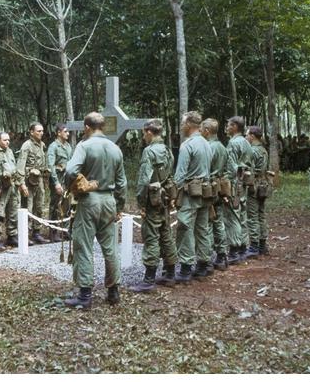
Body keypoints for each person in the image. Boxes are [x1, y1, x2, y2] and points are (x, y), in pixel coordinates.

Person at [63, 112, 127, 309]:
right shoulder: (115, 149)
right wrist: (119, 206)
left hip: (89, 200)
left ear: (87, 127)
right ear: (103, 127)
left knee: (83, 245)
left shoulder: (84, 146)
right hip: (109, 201)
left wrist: (72, 186)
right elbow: (122, 183)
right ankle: (113, 291)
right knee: (110, 248)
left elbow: (70, 171)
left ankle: (84, 295)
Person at [130, 119, 178, 292]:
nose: (143, 136)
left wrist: (141, 203)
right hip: (164, 199)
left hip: (152, 201)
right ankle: (170, 274)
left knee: (151, 236)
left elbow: (144, 181)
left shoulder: (149, 152)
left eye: (144, 133)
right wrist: (172, 197)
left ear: (149, 132)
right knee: (166, 234)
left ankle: (149, 279)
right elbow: (170, 175)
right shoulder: (167, 150)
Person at [173, 111, 213, 282]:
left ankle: (186, 267)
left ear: (189, 125)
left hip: (190, 192)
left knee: (184, 227)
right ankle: (203, 264)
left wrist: (174, 194)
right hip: (206, 191)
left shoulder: (187, 145)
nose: (181, 126)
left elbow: (180, 174)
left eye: (183, 123)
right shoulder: (206, 143)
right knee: (202, 227)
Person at [201, 118, 229, 271]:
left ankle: (207, 257)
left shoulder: (208, 147)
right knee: (218, 221)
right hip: (219, 187)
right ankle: (221, 255)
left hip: (209, 188)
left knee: (206, 222)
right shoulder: (222, 147)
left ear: (207, 131)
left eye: (201, 129)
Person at [224, 116, 253, 264]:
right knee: (242, 214)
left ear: (235, 126)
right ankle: (242, 247)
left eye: (229, 125)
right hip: (244, 184)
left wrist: (226, 187)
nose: (227, 127)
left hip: (235, 184)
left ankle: (234, 250)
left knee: (233, 215)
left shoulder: (233, 143)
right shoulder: (247, 143)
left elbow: (230, 167)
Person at [16, 122, 50, 244]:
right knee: (27, 207)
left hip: (39, 179)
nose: (41, 133)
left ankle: (36, 232)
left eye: (42, 131)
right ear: (31, 132)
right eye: (38, 131)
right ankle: (25, 234)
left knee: (39, 206)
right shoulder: (26, 146)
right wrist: (21, 183)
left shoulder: (42, 145)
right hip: (28, 180)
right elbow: (20, 165)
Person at [245, 126, 270, 257]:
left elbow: (248, 169)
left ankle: (254, 246)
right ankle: (262, 244)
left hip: (254, 185)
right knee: (261, 214)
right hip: (263, 184)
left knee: (252, 216)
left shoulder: (252, 151)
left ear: (253, 136)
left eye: (247, 135)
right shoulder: (263, 150)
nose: (246, 137)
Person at [47, 123, 73, 242]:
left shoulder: (68, 146)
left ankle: (65, 231)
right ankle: (53, 232)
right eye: (65, 131)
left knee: (67, 205)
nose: (68, 133)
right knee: (55, 205)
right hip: (57, 179)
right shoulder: (53, 147)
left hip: (67, 180)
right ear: (58, 133)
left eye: (68, 132)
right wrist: (56, 183)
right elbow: (51, 166)